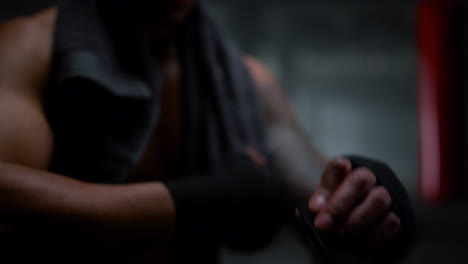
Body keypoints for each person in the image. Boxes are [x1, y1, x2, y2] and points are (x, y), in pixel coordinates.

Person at [0, 0, 414, 263]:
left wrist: (358, 196)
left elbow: (308, 186)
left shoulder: (245, 81)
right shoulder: (32, 49)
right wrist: (194, 203)